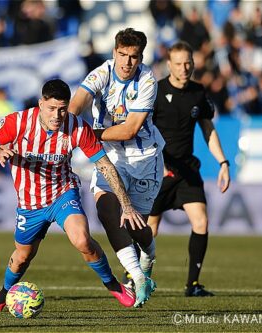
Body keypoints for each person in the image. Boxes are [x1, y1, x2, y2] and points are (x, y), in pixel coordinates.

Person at [0, 79, 145, 312]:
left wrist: (126, 204)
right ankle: (5, 292)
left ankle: (113, 285)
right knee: (22, 256)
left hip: (62, 193)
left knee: (82, 240)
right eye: (51, 109)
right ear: (41, 104)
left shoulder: (78, 127)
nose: (57, 115)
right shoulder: (17, 122)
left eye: (62, 109)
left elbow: (105, 165)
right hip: (29, 203)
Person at [69, 28, 165, 307]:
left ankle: (148, 255)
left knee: (136, 226)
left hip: (145, 161)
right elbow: (79, 102)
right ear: (114, 52)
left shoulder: (147, 79)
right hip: (110, 159)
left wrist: (87, 135)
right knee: (107, 210)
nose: (126, 62)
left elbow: (129, 129)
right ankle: (138, 277)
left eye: (133, 57)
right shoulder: (103, 72)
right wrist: (69, 125)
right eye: (122, 55)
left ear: (141, 58)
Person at [148, 41, 230, 296]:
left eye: (188, 63)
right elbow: (142, 130)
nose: (184, 68)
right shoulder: (155, 92)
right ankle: (136, 276)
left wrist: (223, 162)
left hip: (187, 169)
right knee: (150, 229)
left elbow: (207, 129)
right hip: (158, 170)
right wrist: (153, 162)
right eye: (179, 64)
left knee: (201, 222)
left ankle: (192, 285)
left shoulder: (198, 92)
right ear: (169, 65)